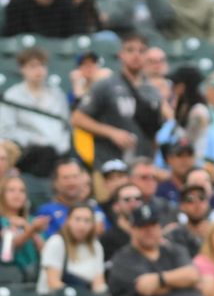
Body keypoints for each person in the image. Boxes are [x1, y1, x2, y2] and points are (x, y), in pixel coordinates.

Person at [71, 33, 163, 188]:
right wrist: (111, 132)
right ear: (120, 54)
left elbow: (154, 134)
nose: (136, 55)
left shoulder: (152, 91)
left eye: (141, 51)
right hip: (109, 166)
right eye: (130, 50)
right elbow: (77, 118)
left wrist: (152, 162)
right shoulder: (106, 85)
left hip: (141, 167)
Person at [109, 203, 206, 296]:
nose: (149, 231)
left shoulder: (173, 250)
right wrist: (181, 284)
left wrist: (160, 279)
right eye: (143, 226)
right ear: (132, 230)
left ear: (160, 227)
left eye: (153, 225)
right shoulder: (123, 258)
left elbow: (193, 275)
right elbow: (146, 288)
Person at [0, 47, 71, 175]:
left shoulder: (57, 93)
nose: (39, 70)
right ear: (22, 69)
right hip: (28, 155)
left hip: (58, 153)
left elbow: (65, 125)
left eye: (42, 65)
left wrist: (61, 147)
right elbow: (6, 130)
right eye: (33, 66)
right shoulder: (12, 96)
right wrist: (32, 139)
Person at [36, 203, 106, 296]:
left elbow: (99, 282)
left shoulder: (96, 246)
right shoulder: (56, 242)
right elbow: (53, 282)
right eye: (77, 219)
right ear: (67, 220)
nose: (82, 225)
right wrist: (80, 295)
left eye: (87, 221)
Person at [35, 159, 107, 239]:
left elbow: (106, 235)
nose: (71, 182)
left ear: (82, 179)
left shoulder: (93, 206)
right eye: (66, 178)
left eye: (75, 177)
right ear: (55, 182)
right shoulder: (46, 211)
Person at [0, 176, 47, 283]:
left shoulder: (33, 221)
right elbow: (8, 250)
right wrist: (31, 229)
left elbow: (45, 251)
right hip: (8, 276)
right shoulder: (1, 221)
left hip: (35, 275)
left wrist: (29, 227)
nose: (17, 194)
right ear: (2, 194)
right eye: (11, 190)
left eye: (22, 191)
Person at [164, 184, 214, 258]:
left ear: (208, 203)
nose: (197, 204)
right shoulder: (173, 234)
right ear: (182, 206)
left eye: (202, 198)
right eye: (190, 199)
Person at [99, 182, 144, 263]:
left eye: (137, 198)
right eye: (127, 200)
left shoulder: (152, 234)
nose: (133, 203)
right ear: (116, 206)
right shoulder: (108, 239)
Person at [130, 157, 179, 226]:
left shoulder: (165, 207)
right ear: (130, 179)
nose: (150, 182)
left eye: (153, 177)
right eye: (144, 177)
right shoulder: (124, 205)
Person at [156, 137, 197, 203]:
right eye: (180, 155)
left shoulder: (201, 188)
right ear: (169, 159)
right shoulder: (161, 190)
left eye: (189, 155)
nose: (185, 160)